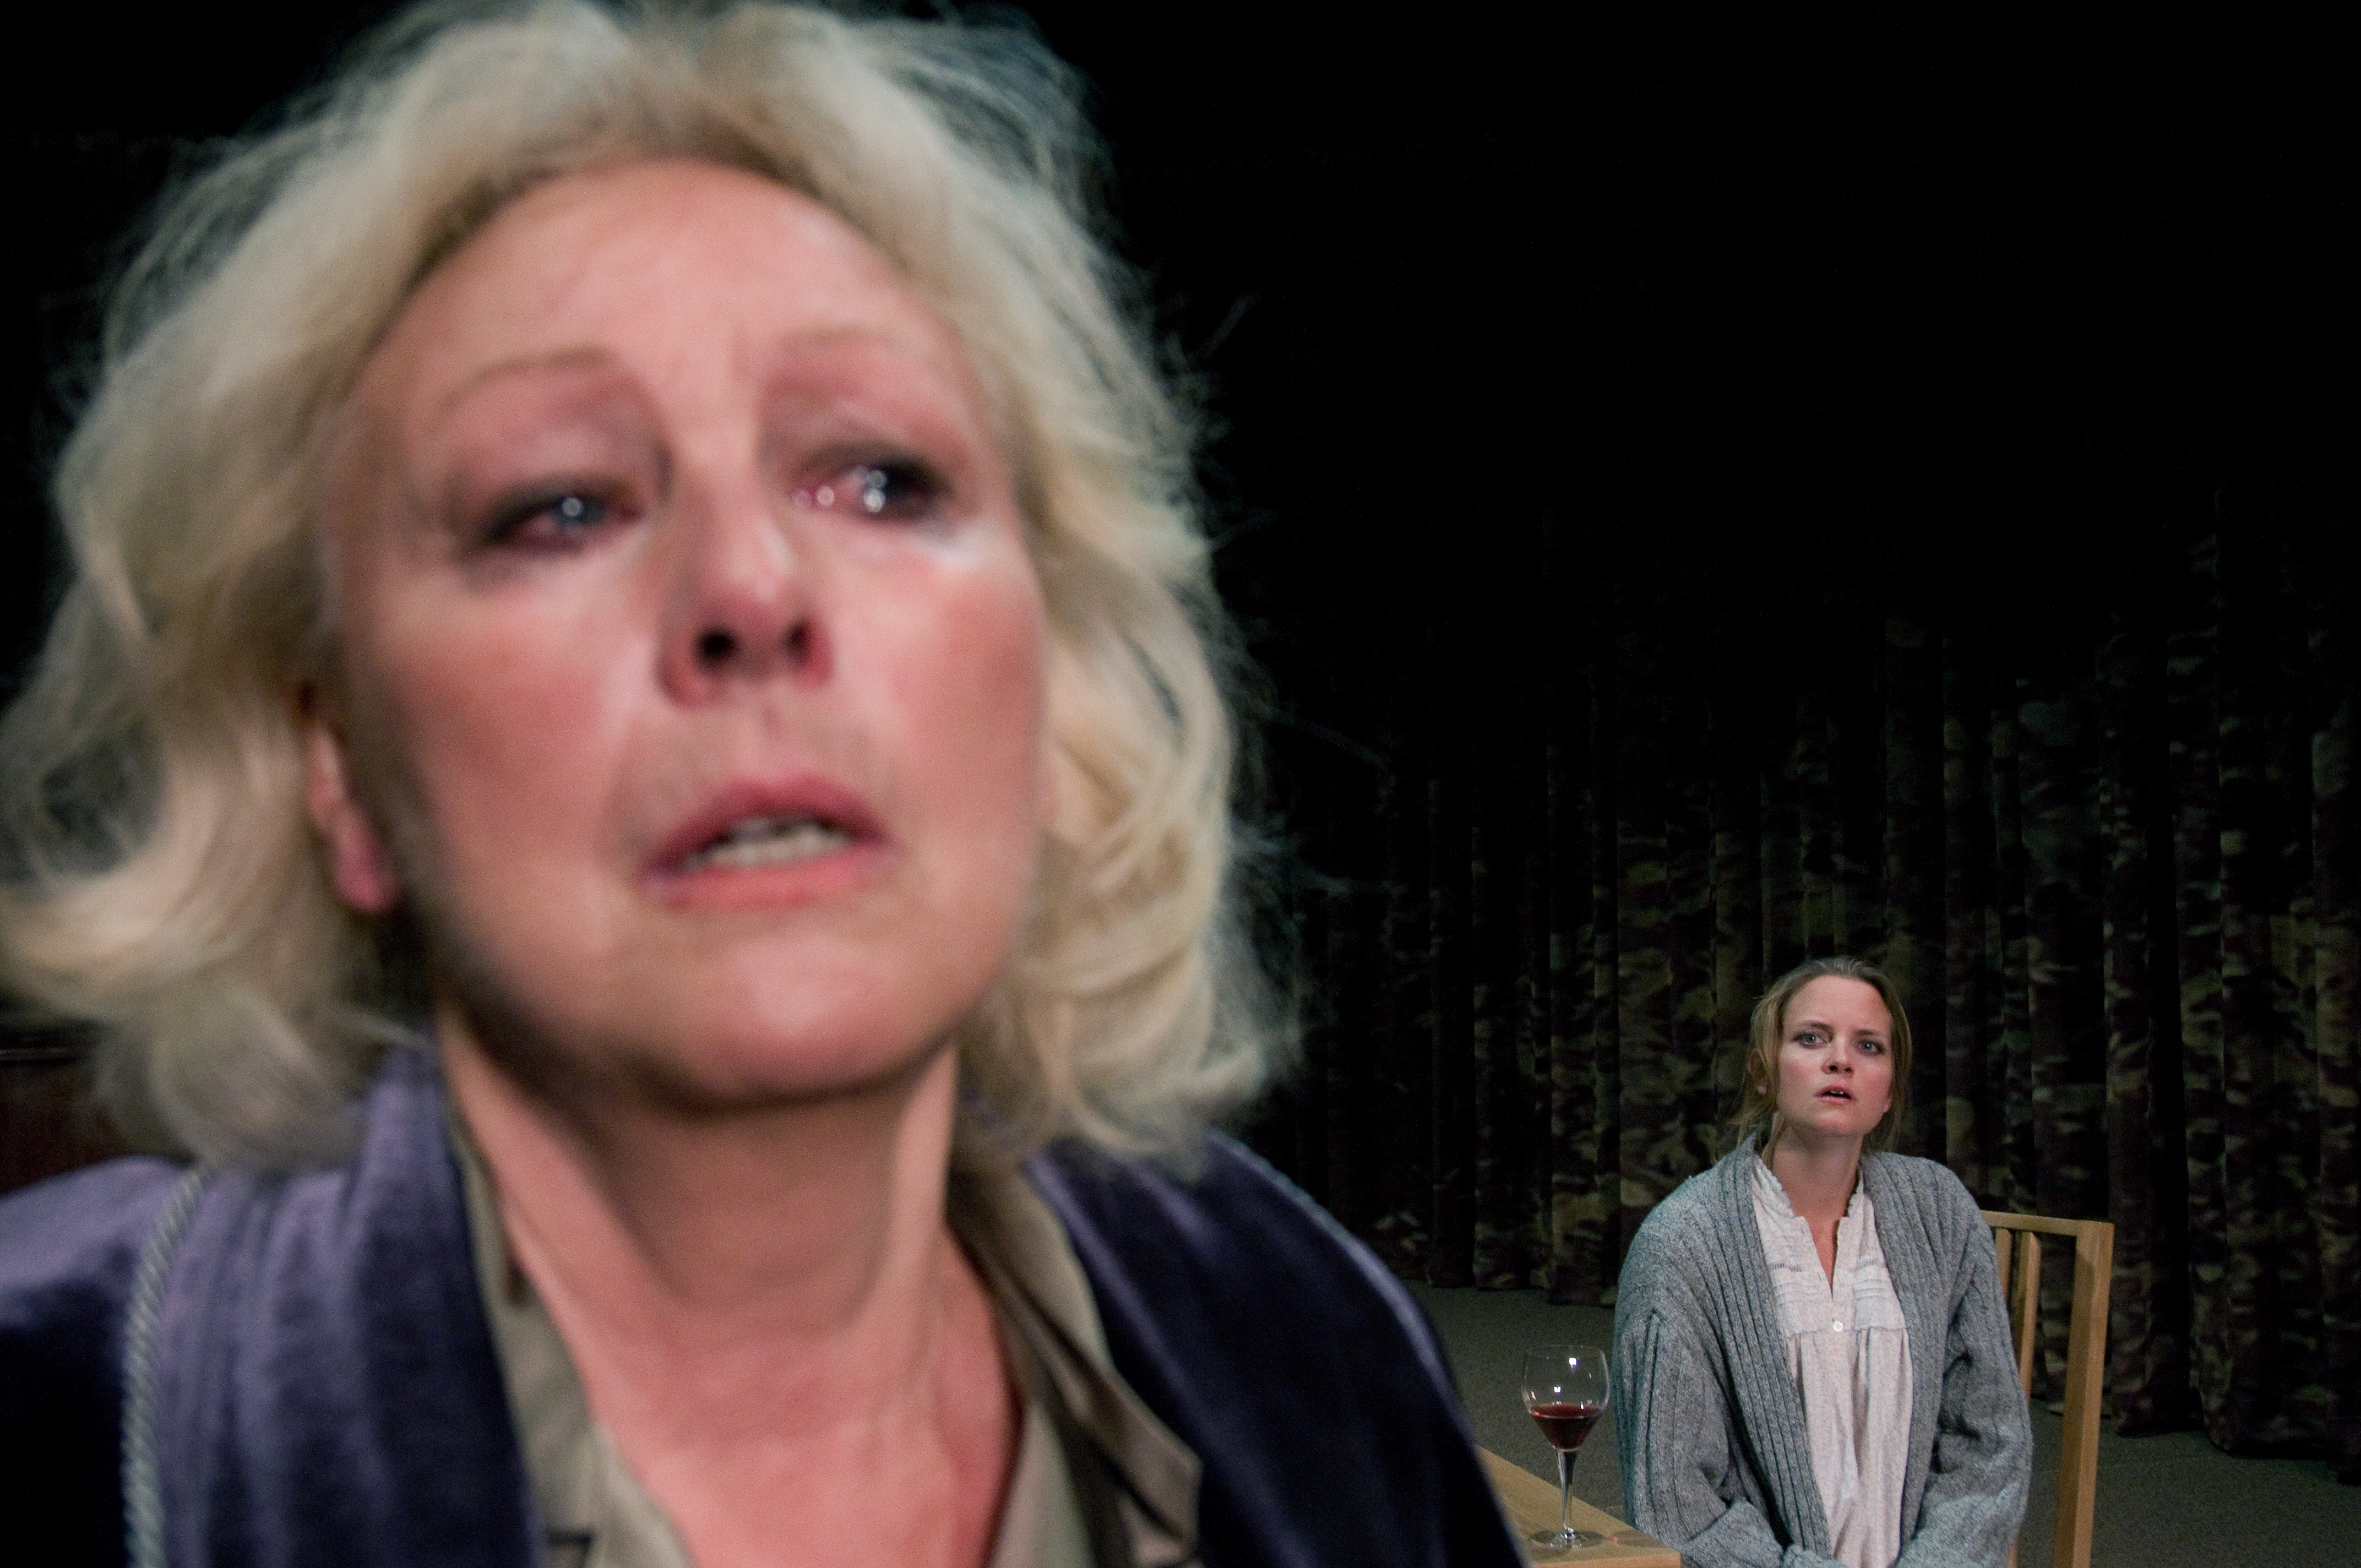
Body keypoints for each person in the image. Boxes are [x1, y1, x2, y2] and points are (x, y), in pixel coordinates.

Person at [0, 5, 1522, 1565]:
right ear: (334, 764)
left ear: (1048, 686)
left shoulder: (1318, 1358)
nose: (751, 586)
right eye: (561, 505)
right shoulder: (51, 1405)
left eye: (880, 479)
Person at [1611, 956, 2031, 1568]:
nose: (1841, 1060)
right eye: (1812, 1038)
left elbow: (1989, 1445)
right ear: (1762, 1071)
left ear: (1890, 1091)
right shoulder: (1683, 1244)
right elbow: (1676, 1503)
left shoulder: (1940, 1212)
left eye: (1869, 1046)